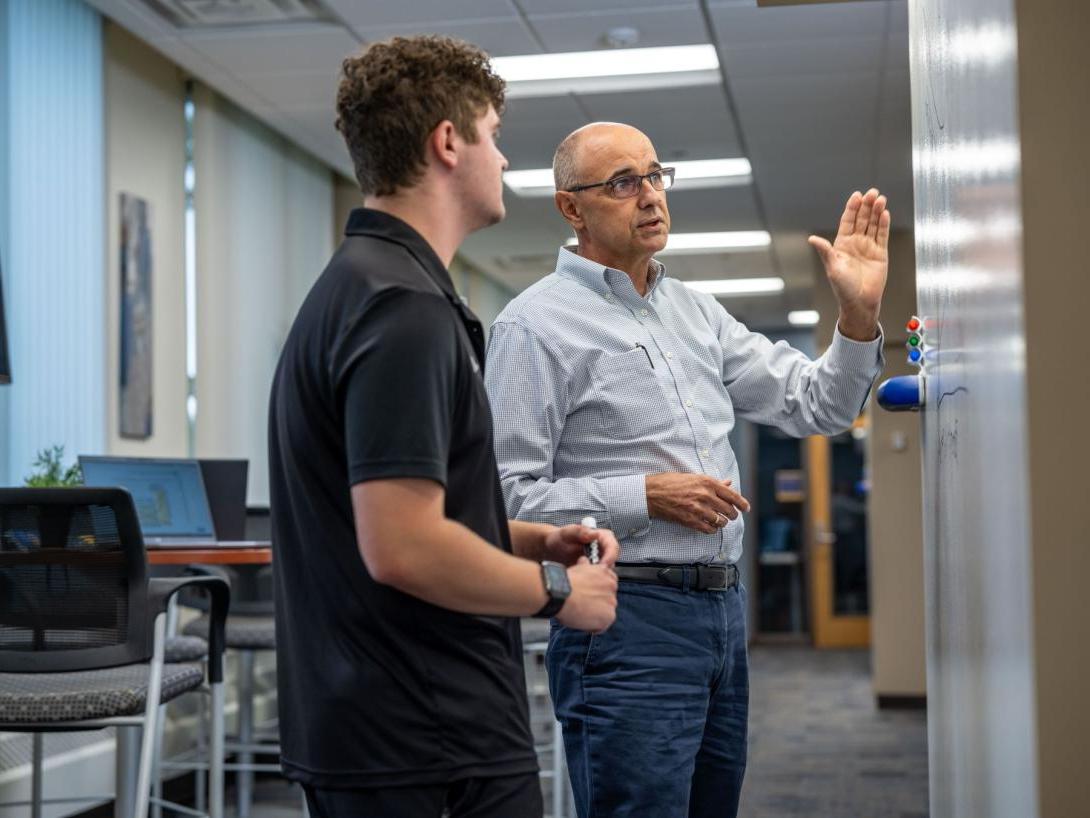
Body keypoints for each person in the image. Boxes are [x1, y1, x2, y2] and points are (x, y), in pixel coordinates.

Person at [484, 121, 889, 818]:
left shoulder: (695, 312)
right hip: (626, 619)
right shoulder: (533, 327)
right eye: (622, 182)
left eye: (654, 175)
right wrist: (641, 496)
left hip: (721, 614)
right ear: (571, 208)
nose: (649, 196)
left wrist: (856, 318)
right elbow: (503, 498)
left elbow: (817, 405)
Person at [268, 39, 620, 818]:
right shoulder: (403, 311)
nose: (501, 157)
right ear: (448, 142)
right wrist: (559, 591)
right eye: (492, 134)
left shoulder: (359, 285)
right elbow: (403, 546)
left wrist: (526, 538)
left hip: (383, 725)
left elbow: (407, 512)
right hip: (423, 735)